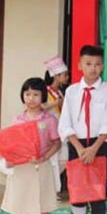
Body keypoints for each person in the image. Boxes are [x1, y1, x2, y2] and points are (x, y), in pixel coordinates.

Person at [57, 45, 107, 214]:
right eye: (88, 64)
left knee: (97, 194)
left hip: (99, 145)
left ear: (102, 66)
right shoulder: (72, 92)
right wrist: (78, 147)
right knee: (77, 195)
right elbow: (65, 122)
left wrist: (94, 148)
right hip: (77, 145)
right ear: (79, 65)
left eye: (97, 64)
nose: (93, 68)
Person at [1, 78, 61, 214]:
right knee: (22, 209)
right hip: (22, 168)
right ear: (23, 96)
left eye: (36, 94)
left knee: (42, 208)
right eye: (27, 94)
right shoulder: (17, 120)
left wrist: (44, 157)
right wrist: (9, 159)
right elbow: (12, 144)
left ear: (43, 96)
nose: (31, 98)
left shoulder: (49, 120)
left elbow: (57, 143)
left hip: (41, 167)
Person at [43, 56, 69, 200]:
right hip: (49, 131)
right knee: (52, 160)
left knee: (63, 159)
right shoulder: (45, 91)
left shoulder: (59, 92)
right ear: (56, 76)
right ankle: (51, 192)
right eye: (64, 75)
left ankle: (52, 188)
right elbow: (40, 107)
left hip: (60, 129)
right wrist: (55, 104)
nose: (67, 77)